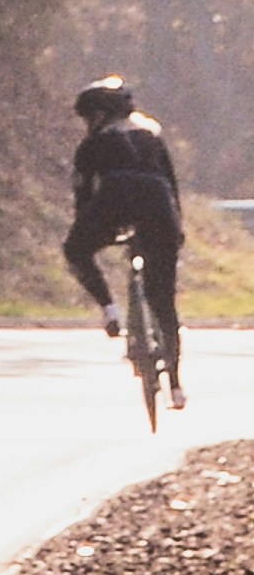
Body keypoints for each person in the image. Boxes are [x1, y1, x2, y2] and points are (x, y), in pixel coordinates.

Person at [68, 75, 189, 407]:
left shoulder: (92, 145)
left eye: (89, 117)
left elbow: (82, 194)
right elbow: (171, 183)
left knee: (75, 250)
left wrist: (87, 229)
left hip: (115, 199)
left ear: (102, 115)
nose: (87, 124)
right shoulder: (152, 135)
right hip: (160, 207)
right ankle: (176, 387)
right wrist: (176, 227)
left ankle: (110, 311)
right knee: (163, 300)